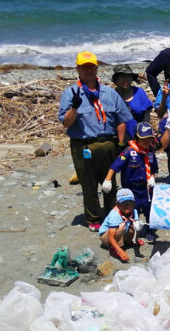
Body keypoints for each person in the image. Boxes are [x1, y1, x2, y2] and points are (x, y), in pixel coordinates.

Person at [58, 51, 133, 231]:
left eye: (91, 67)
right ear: (78, 69)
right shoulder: (70, 93)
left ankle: (111, 214)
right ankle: (93, 218)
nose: (88, 71)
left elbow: (122, 119)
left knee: (110, 182)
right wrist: (74, 108)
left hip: (108, 144)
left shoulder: (109, 92)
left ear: (96, 68)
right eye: (84, 67)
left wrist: (121, 144)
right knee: (88, 184)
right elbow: (66, 123)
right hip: (83, 145)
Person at [102, 122, 158, 242]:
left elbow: (153, 168)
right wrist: (108, 180)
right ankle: (131, 233)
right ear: (136, 138)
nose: (146, 142)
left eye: (149, 139)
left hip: (146, 189)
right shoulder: (128, 152)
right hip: (131, 190)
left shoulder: (150, 153)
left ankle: (150, 230)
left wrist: (152, 177)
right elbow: (115, 166)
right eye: (143, 139)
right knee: (132, 211)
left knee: (149, 210)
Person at [100, 188, 143, 262]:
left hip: (123, 231)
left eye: (130, 203)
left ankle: (130, 242)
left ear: (133, 204)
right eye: (124, 203)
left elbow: (135, 224)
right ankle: (114, 248)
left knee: (136, 224)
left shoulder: (134, 211)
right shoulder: (114, 214)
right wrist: (120, 251)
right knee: (120, 226)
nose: (127, 206)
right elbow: (111, 237)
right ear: (117, 204)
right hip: (107, 237)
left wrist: (138, 225)